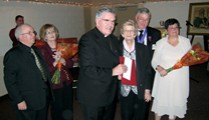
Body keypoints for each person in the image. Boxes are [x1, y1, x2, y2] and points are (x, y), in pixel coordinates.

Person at [77, 7, 127, 120]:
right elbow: (88, 69)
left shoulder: (114, 39)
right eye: (107, 20)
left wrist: (121, 72)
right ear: (97, 21)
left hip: (110, 93)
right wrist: (113, 71)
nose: (111, 24)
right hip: (93, 95)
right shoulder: (87, 39)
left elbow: (118, 61)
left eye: (113, 21)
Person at [4, 23, 52, 120]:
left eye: (33, 32)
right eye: (29, 32)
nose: (34, 34)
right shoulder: (13, 55)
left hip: (42, 96)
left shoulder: (35, 50)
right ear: (21, 37)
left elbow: (41, 71)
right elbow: (10, 81)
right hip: (27, 100)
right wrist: (19, 100)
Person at [151, 18, 191, 120]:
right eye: (171, 27)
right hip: (164, 79)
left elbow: (191, 58)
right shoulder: (160, 43)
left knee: (175, 103)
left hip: (180, 79)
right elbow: (154, 61)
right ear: (166, 30)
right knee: (161, 103)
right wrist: (159, 69)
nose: (174, 29)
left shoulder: (186, 42)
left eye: (176, 27)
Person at [118, 19, 152, 120]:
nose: (129, 33)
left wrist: (147, 90)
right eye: (126, 30)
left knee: (141, 116)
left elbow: (148, 71)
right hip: (124, 90)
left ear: (135, 33)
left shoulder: (143, 49)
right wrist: (116, 74)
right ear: (122, 33)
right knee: (126, 116)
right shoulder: (116, 48)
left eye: (131, 30)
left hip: (140, 89)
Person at [39, 24, 74, 120]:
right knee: (57, 108)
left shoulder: (62, 46)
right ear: (44, 36)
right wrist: (55, 62)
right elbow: (44, 70)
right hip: (54, 84)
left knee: (68, 106)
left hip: (66, 81)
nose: (52, 34)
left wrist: (63, 61)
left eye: (53, 31)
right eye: (48, 32)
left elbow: (71, 64)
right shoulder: (42, 50)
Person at [135, 7, 161, 119]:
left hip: (148, 72)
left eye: (147, 19)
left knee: (145, 102)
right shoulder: (128, 31)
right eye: (141, 19)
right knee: (130, 103)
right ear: (136, 18)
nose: (144, 22)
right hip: (132, 72)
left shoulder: (155, 33)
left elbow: (158, 53)